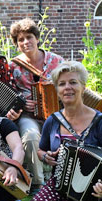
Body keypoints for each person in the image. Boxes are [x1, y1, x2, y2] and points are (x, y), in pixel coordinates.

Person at [22, 62, 102, 201]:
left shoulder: (101, 123)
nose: (67, 87)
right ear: (57, 90)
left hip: (91, 192)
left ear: (83, 87)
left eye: (73, 82)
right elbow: (41, 150)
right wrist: (47, 157)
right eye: (62, 84)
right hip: (58, 186)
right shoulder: (53, 121)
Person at [9, 18, 64, 192]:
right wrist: (23, 104)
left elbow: (68, 87)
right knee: (30, 136)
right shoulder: (13, 66)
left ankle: (65, 183)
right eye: (21, 39)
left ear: (37, 38)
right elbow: (8, 95)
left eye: (29, 37)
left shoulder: (56, 61)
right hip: (28, 116)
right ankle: (38, 185)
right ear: (17, 44)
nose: (26, 42)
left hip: (56, 114)